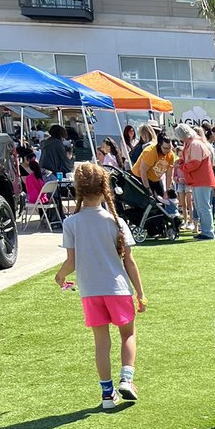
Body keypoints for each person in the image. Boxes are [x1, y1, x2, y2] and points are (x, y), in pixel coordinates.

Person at [53, 162, 146, 411]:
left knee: (101, 343)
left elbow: (70, 262)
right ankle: (127, 379)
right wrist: (140, 293)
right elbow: (130, 262)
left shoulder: (71, 223)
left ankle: (107, 394)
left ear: (79, 189)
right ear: (105, 188)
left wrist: (60, 275)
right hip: (118, 289)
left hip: (90, 292)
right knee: (127, 334)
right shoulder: (116, 222)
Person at [177, 123, 215, 240]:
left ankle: (208, 232)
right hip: (198, 180)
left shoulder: (195, 144)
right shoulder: (192, 144)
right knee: (200, 207)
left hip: (202, 179)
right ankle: (205, 231)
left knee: (203, 207)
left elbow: (195, 163)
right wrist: (181, 163)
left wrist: (182, 167)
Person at [133, 130, 175, 197]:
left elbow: (169, 175)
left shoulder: (171, 155)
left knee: (162, 200)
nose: (167, 151)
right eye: (165, 148)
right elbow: (142, 171)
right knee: (149, 200)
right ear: (159, 145)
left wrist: (167, 190)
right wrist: (148, 189)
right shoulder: (150, 152)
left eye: (169, 148)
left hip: (155, 178)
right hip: (140, 176)